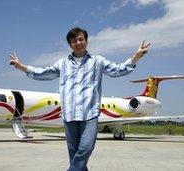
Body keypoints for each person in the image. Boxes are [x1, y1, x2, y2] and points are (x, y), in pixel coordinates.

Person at [9, 27, 150, 171]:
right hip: (69, 115)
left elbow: (118, 70)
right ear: (70, 44)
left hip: (90, 114)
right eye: (74, 40)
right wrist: (22, 67)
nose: (78, 42)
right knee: (75, 155)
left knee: (86, 148)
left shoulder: (97, 61)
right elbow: (42, 73)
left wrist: (136, 57)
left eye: (81, 39)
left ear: (86, 41)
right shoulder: (62, 64)